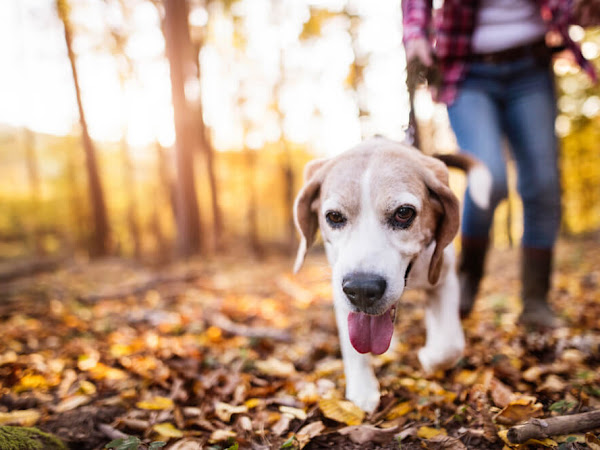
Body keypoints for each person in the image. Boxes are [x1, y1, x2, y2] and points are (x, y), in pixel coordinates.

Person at [402, 0, 596, 328]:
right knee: (487, 177)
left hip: (532, 65)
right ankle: (467, 279)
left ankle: (536, 302)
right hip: (465, 70)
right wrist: (415, 34)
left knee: (543, 184)